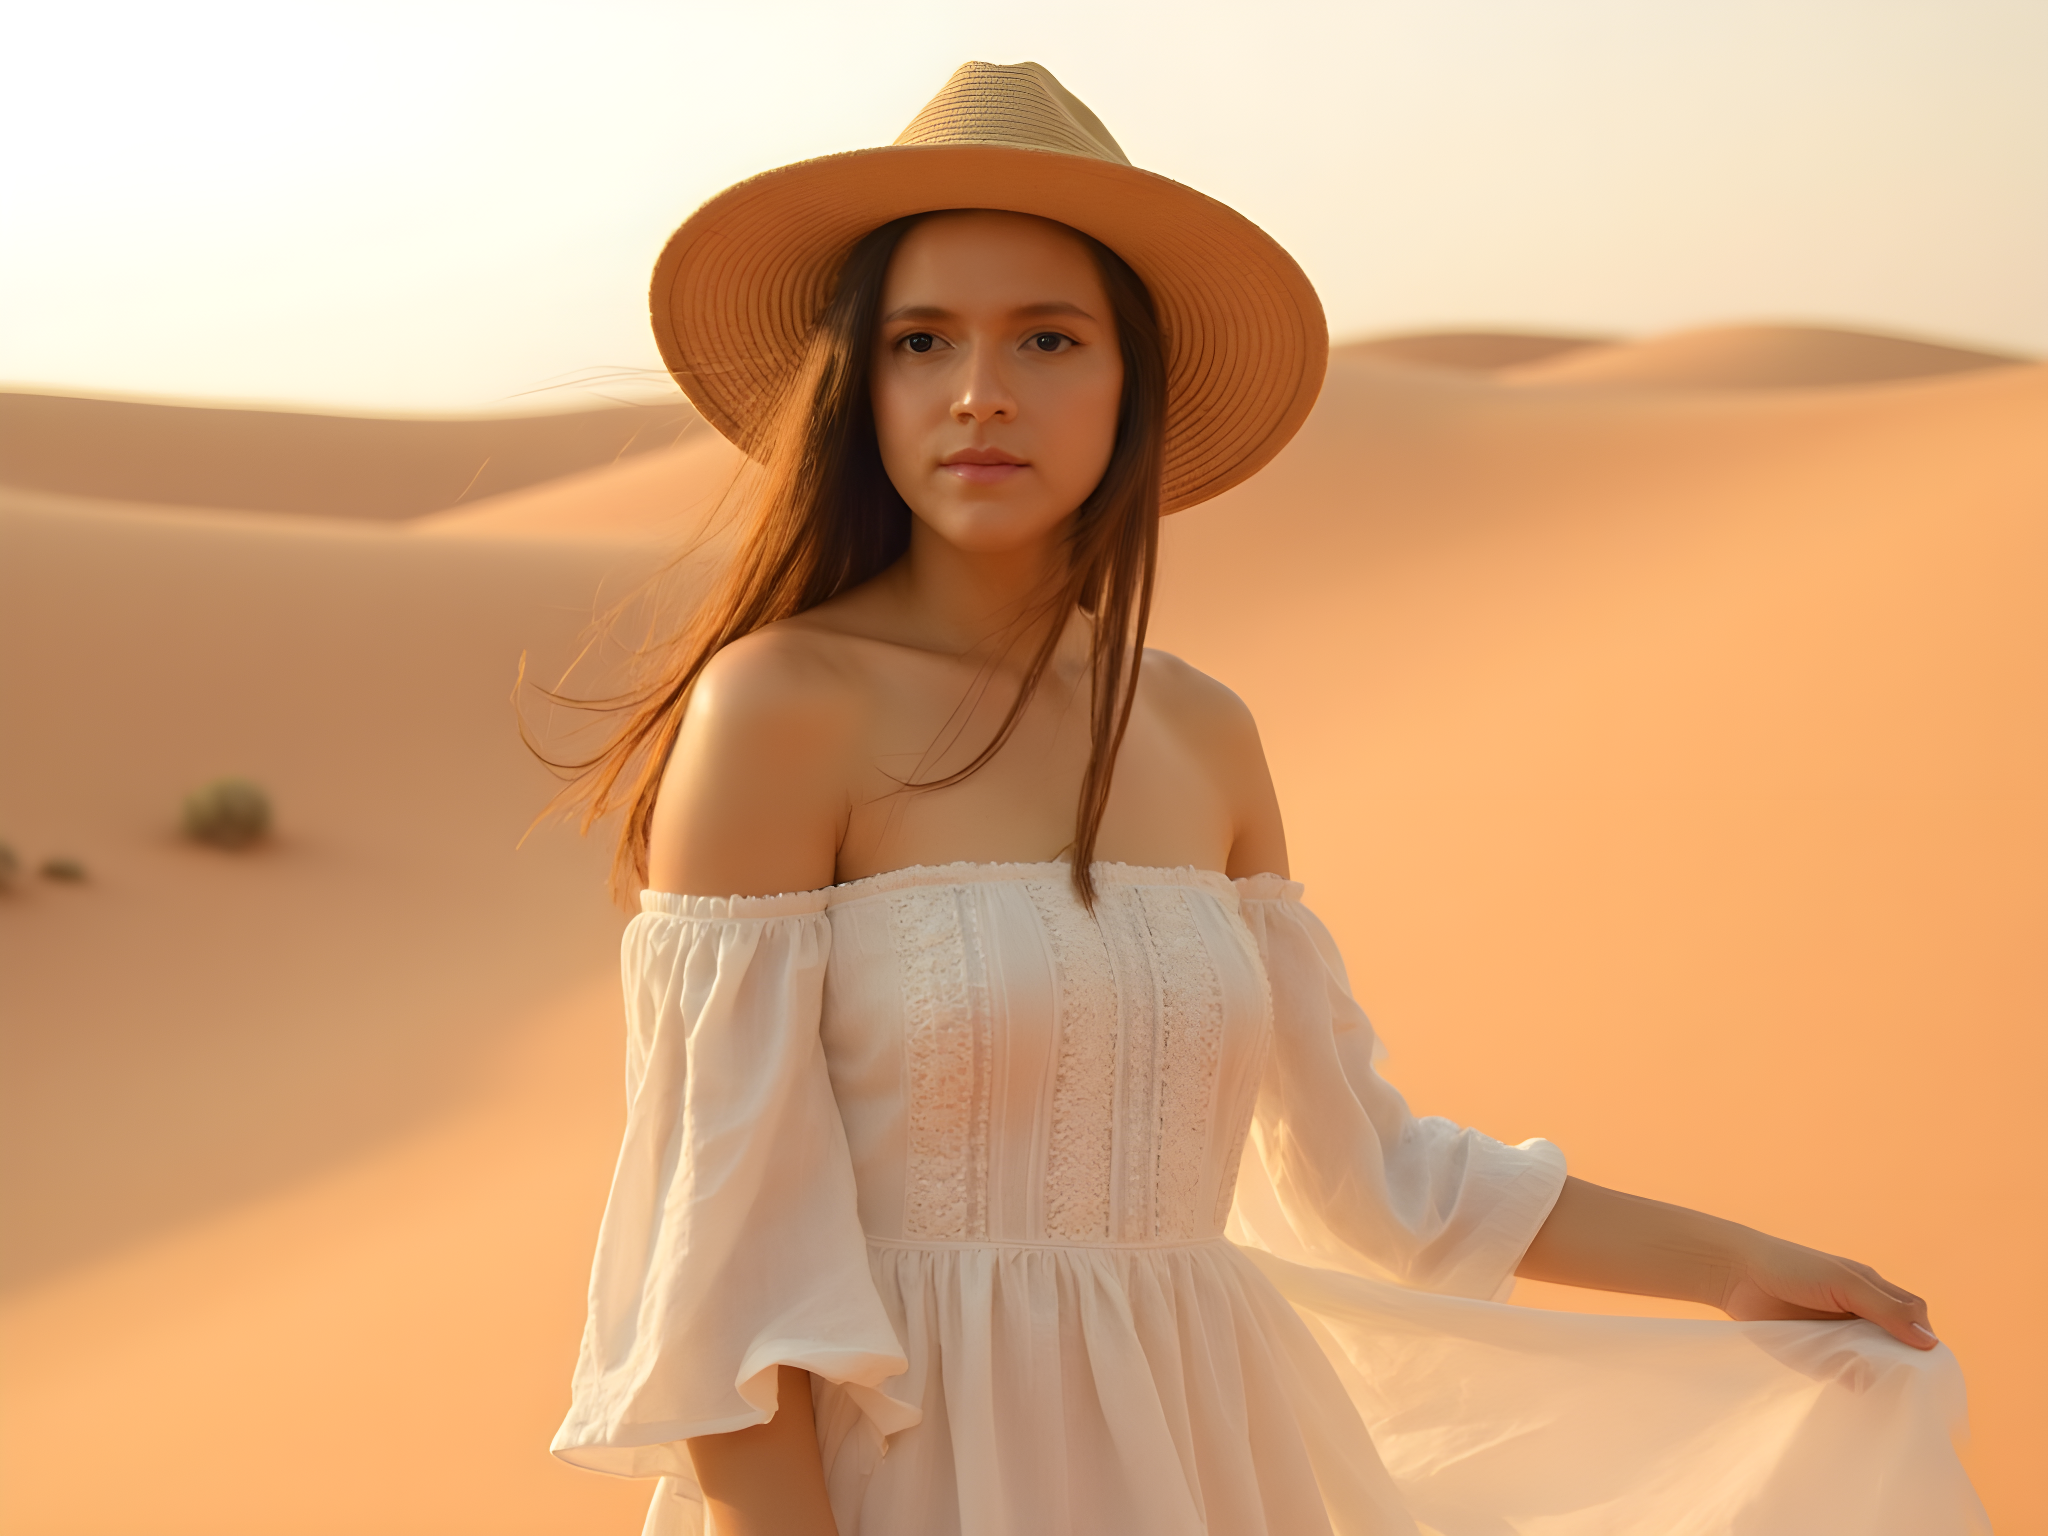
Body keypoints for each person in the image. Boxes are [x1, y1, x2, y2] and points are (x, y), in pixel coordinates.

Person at [548, 61, 1982, 1536]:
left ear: (1131, 384)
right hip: (911, 1478)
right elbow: (720, 1265)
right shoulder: (782, 711)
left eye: (1047, 337)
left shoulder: (1202, 735)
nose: (980, 390)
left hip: (1207, 1468)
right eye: (924, 341)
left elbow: (1372, 1174)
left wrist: (1731, 1263)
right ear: (866, 385)